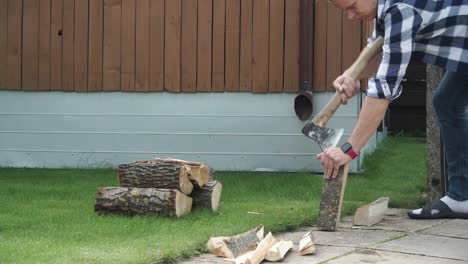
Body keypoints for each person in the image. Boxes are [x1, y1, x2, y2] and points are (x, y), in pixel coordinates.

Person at [318, 0, 468, 219]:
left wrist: (348, 150)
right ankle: (461, 197)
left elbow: (383, 90)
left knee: (447, 102)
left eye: (351, 6)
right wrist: (352, 74)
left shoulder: (401, 10)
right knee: (447, 102)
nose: (350, 16)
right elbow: (378, 43)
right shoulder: (387, 9)